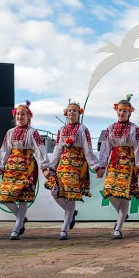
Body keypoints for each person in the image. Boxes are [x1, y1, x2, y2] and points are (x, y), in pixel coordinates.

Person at [0, 101, 51, 240]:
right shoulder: (10, 132)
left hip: (27, 167)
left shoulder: (33, 132)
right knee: (6, 197)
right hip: (12, 167)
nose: (20, 116)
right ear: (15, 116)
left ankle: (16, 227)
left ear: (28, 116)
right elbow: (4, 151)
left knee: (23, 198)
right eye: (18, 114)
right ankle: (21, 219)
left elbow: (40, 150)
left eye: (23, 114)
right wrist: (0, 167)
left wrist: (44, 167)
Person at [45, 100, 100, 240]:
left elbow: (88, 149)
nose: (71, 113)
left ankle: (64, 229)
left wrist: (94, 166)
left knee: (70, 195)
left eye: (74, 110)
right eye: (69, 110)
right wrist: (52, 165)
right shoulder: (61, 130)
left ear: (79, 113)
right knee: (54, 191)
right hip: (63, 164)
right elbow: (57, 149)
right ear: (66, 113)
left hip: (76, 164)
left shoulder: (83, 129)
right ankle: (71, 213)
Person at [96, 94, 139, 239]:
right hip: (114, 162)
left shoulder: (135, 129)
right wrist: (101, 166)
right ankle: (123, 215)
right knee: (109, 191)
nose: (121, 113)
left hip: (128, 163)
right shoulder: (110, 128)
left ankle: (118, 228)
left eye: (124, 111)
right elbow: (105, 148)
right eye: (119, 110)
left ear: (129, 112)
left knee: (124, 195)